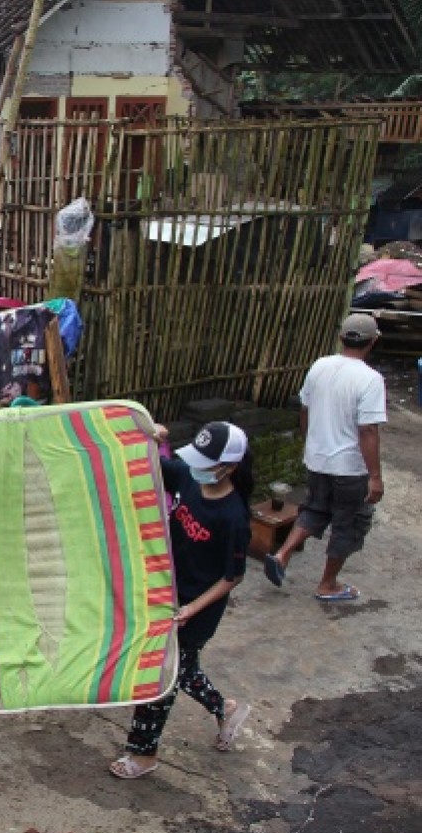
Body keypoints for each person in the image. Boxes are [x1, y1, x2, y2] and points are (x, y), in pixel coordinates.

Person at [109, 421, 253, 780]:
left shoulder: (233, 517)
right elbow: (157, 465)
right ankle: (225, 708)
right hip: (165, 593)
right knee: (182, 670)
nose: (198, 467)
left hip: (194, 611)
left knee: (161, 679)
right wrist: (151, 434)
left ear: (230, 467)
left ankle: (143, 753)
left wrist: (191, 609)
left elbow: (232, 577)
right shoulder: (190, 477)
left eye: (207, 462)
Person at [263, 314, 387, 601]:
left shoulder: (320, 365)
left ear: (341, 337)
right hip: (349, 468)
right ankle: (328, 584)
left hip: (318, 459)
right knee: (350, 522)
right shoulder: (371, 379)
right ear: (373, 341)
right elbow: (368, 429)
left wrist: (312, 443)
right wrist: (376, 477)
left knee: (316, 509)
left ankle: (281, 555)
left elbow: (304, 409)